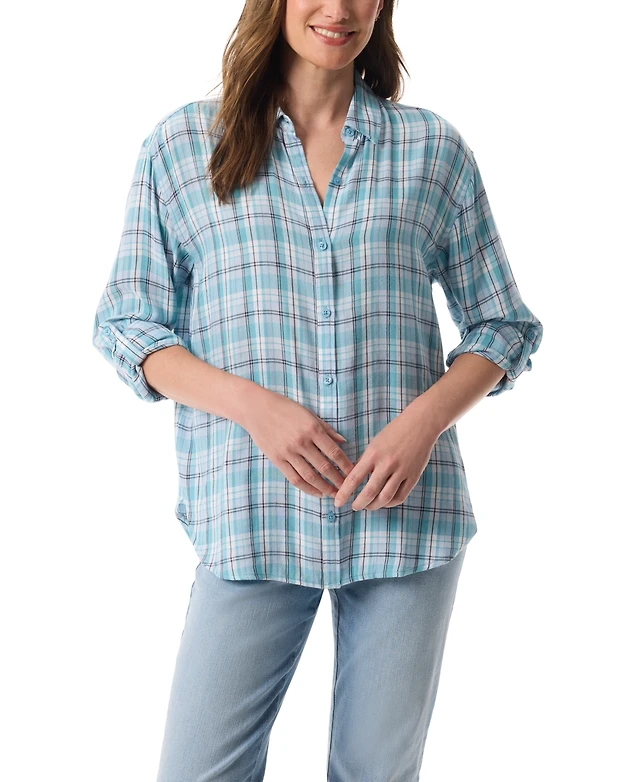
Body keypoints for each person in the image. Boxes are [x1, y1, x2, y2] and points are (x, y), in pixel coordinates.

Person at [92, 1, 543, 780]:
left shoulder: (431, 151)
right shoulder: (184, 146)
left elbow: (503, 326)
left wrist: (424, 422)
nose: (338, 10)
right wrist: (253, 407)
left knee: (375, 771)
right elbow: (130, 326)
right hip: (253, 516)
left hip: (406, 521)